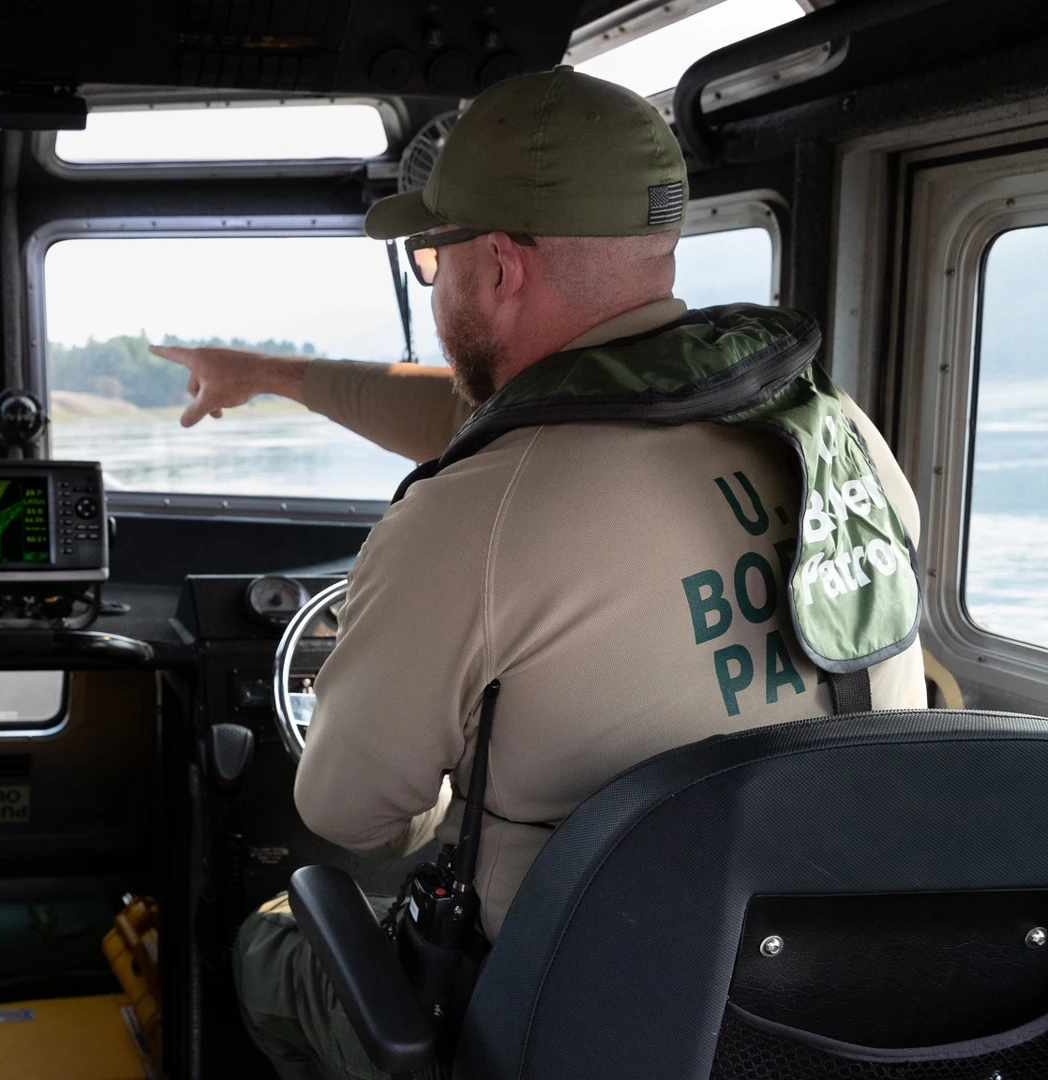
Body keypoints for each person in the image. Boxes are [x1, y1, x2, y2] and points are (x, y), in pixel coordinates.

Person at [160, 68, 927, 1079]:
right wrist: (269, 375)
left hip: (574, 1017)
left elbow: (352, 816)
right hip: (838, 1005)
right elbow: (492, 419)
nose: (435, 289)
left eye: (435, 259)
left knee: (271, 941)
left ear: (499, 268)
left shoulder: (470, 515)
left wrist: (447, 785)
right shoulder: (835, 435)